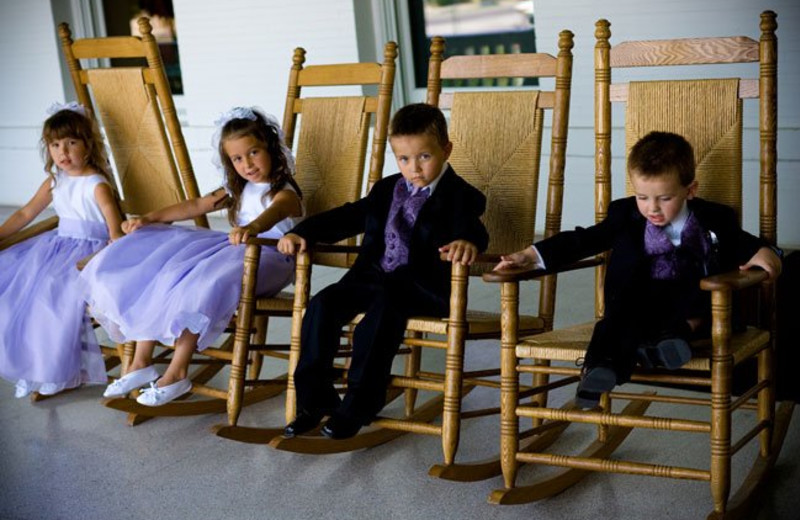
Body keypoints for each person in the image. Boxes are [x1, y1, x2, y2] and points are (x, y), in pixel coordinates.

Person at [495, 131, 782, 408]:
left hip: (693, 305)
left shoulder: (715, 217)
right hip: (635, 304)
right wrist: (530, 254)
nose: (652, 208)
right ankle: (599, 371)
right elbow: (585, 239)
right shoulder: (625, 213)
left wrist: (768, 254)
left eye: (665, 198)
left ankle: (670, 339)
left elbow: (740, 242)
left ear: (690, 190)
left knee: (692, 315)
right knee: (613, 325)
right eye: (642, 197)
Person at [278, 102, 489, 439]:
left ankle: (359, 404)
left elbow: (475, 229)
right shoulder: (386, 189)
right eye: (404, 159)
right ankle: (315, 401)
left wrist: (468, 241)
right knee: (322, 305)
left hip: (420, 288)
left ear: (446, 149)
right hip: (372, 277)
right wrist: (302, 232)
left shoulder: (461, 196)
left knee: (378, 320)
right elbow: (349, 216)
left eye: (424, 156)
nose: (414, 168)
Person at [80, 107, 303, 406]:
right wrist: (150, 218)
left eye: (253, 153)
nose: (247, 164)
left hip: (271, 257)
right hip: (236, 250)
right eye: (237, 158)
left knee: (204, 284)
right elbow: (197, 205)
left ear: (271, 149)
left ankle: (177, 372)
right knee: (170, 272)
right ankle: (141, 361)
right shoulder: (238, 189)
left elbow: (276, 212)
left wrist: (252, 227)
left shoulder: (283, 190)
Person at [0, 102, 124, 397]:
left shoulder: (97, 184)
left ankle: (53, 368)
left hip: (87, 253)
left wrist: (110, 253)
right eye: (55, 145)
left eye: (71, 143)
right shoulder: (55, 180)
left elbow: (115, 230)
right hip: (54, 248)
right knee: (17, 291)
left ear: (88, 145)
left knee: (52, 296)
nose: (62, 152)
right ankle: (32, 364)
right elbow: (25, 214)